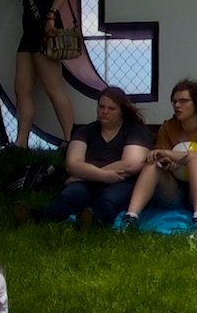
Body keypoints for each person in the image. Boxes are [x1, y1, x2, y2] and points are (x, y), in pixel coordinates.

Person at [3, 0, 77, 152]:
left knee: (52, 87)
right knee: (21, 87)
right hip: (29, 32)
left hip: (46, 31)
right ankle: (21, 141)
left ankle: (69, 140)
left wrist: (51, 15)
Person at [123, 79, 197, 229]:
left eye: (183, 101)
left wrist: (168, 153)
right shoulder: (168, 127)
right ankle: (130, 219)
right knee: (152, 165)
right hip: (177, 192)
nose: (177, 105)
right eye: (174, 101)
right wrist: (166, 162)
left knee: (196, 161)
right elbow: (161, 157)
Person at [47, 84, 151, 227]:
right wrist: (102, 176)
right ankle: (37, 218)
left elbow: (130, 163)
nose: (105, 112)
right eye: (101, 107)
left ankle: (89, 221)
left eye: (111, 108)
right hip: (89, 181)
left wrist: (84, 174)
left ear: (122, 111)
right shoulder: (85, 131)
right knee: (70, 197)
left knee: (109, 201)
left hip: (121, 182)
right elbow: (72, 163)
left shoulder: (136, 131)